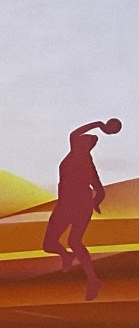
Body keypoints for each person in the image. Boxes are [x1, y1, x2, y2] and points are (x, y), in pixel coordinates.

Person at [42, 118, 123, 301]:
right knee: (49, 244)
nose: (82, 140)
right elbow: (100, 192)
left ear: (87, 146)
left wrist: (99, 125)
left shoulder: (82, 157)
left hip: (78, 205)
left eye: (86, 141)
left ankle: (93, 280)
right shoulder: (79, 155)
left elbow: (100, 191)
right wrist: (95, 203)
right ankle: (66, 256)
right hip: (69, 205)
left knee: (74, 241)